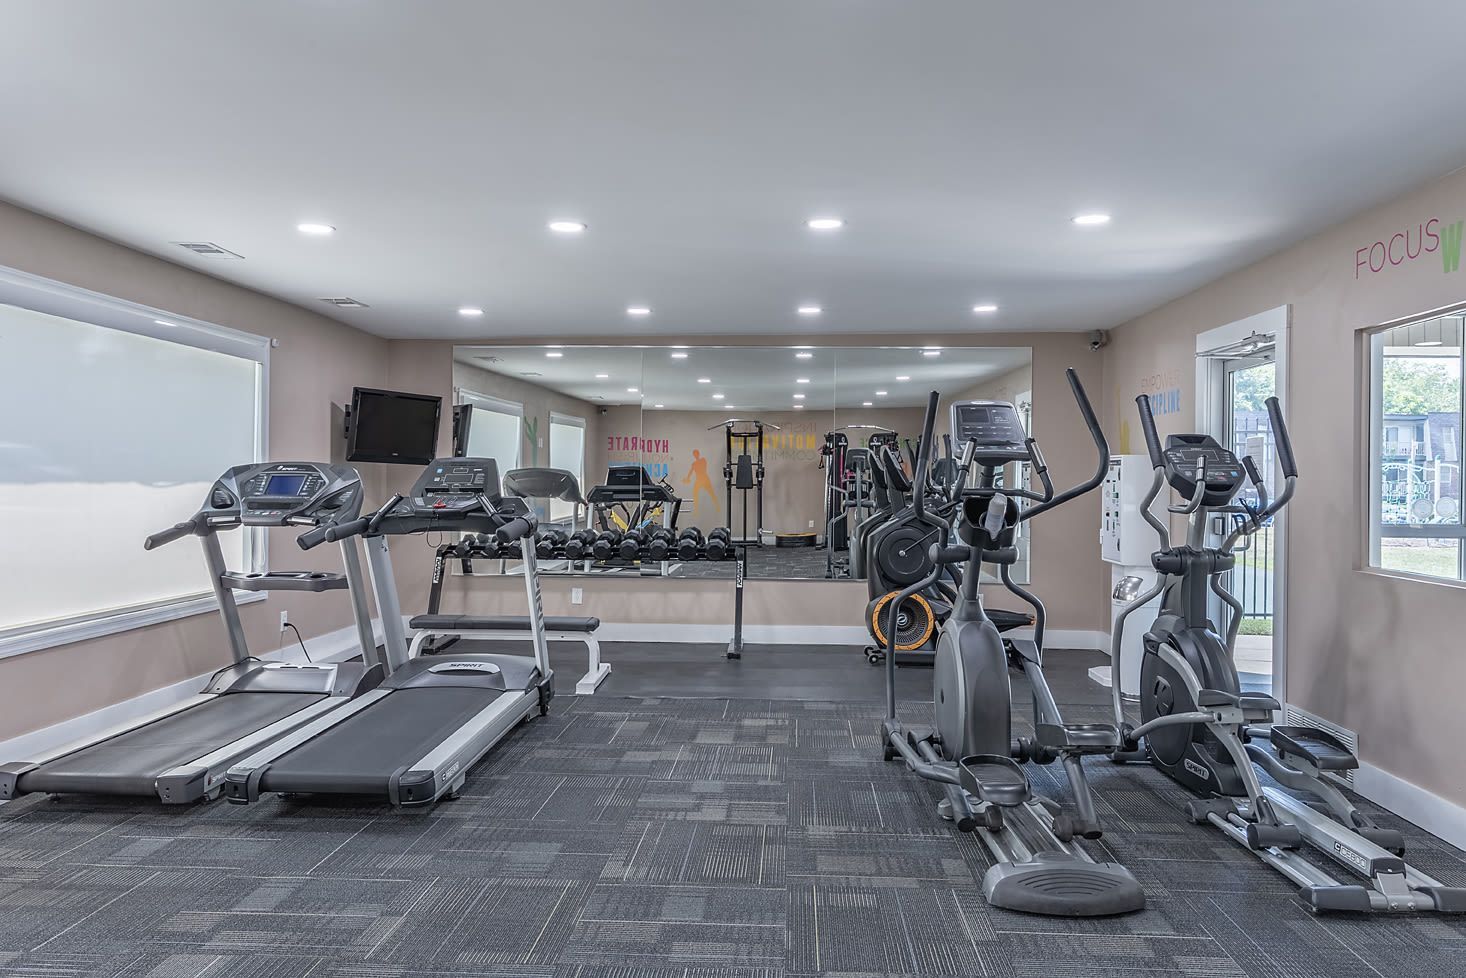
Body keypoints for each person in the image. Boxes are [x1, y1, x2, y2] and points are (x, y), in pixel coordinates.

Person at [683, 449, 719, 518]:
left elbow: (701, 467)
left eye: (696, 454)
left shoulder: (703, 460)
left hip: (705, 479)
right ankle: (696, 511)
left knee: (712, 493)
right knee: (695, 494)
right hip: (699, 480)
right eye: (694, 454)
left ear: (698, 454)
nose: (695, 455)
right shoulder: (694, 464)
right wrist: (687, 478)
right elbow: (690, 472)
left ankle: (717, 507)